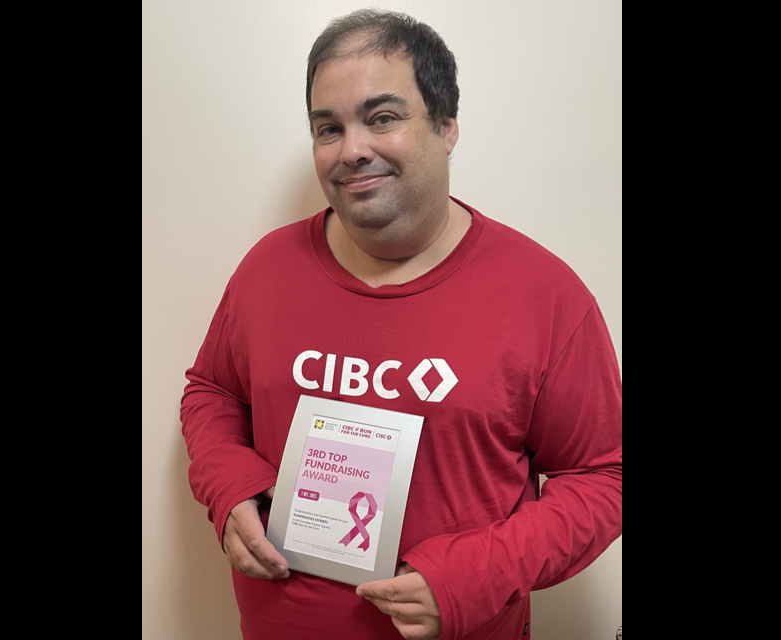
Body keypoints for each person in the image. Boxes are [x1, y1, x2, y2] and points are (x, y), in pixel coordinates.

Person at [181, 9, 622, 640]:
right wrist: (228, 488)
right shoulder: (265, 270)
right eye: (327, 128)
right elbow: (212, 390)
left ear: (446, 126)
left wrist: (475, 576)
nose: (352, 149)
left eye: (382, 118)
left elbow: (605, 474)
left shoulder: (544, 294)